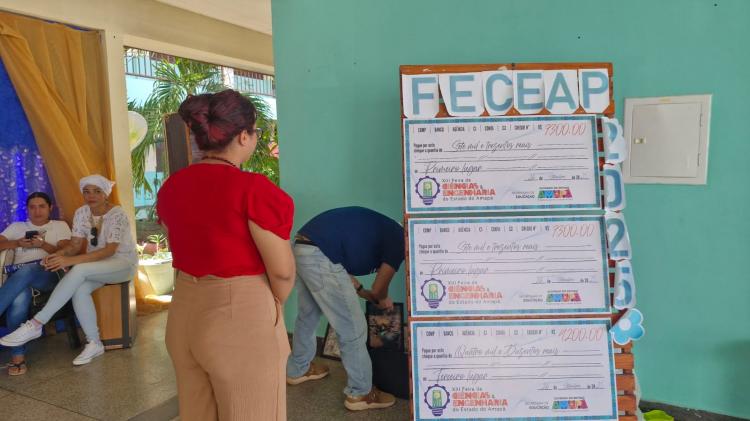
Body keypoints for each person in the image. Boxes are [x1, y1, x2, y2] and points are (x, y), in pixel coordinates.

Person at [156, 89, 295, 421]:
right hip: (240, 313)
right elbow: (282, 272)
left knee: (197, 412)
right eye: (255, 131)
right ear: (243, 136)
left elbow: (178, 243)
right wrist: (273, 304)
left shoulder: (173, 186)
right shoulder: (252, 189)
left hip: (184, 310)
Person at [0, 175, 138, 366]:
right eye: (86, 192)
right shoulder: (82, 212)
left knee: (78, 269)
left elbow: (109, 250)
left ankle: (37, 323)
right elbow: (74, 245)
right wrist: (57, 256)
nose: (91, 196)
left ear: (105, 194)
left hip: (122, 263)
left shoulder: (117, 214)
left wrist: (68, 260)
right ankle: (94, 343)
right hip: (96, 266)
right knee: (79, 290)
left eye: (97, 191)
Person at [286, 206, 404, 411]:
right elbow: (379, 288)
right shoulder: (400, 240)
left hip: (302, 246)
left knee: (308, 315)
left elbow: (339, 268)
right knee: (353, 327)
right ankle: (361, 392)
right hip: (320, 253)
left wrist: (363, 292)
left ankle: (298, 369)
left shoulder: (383, 231)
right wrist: (382, 298)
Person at [0, 192, 71, 375]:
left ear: (50, 208)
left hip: (47, 275)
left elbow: (67, 251)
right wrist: (17, 243)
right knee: (19, 298)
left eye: (41, 206)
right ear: (27, 209)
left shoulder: (59, 226)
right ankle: (18, 358)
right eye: (32, 207)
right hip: (18, 279)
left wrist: (43, 245)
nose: (37, 211)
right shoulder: (17, 227)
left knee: (29, 269)